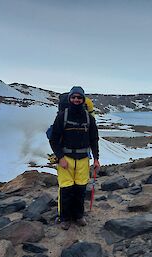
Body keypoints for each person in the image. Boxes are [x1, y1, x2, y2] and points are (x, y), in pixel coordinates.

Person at [49, 86, 100, 230]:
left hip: (83, 159)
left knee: (80, 189)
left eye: (79, 97)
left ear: (83, 100)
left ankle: (78, 216)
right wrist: (60, 158)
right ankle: (64, 218)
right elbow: (54, 139)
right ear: (69, 99)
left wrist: (96, 159)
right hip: (66, 159)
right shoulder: (62, 116)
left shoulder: (89, 118)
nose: (76, 100)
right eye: (74, 97)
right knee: (65, 189)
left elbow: (94, 140)